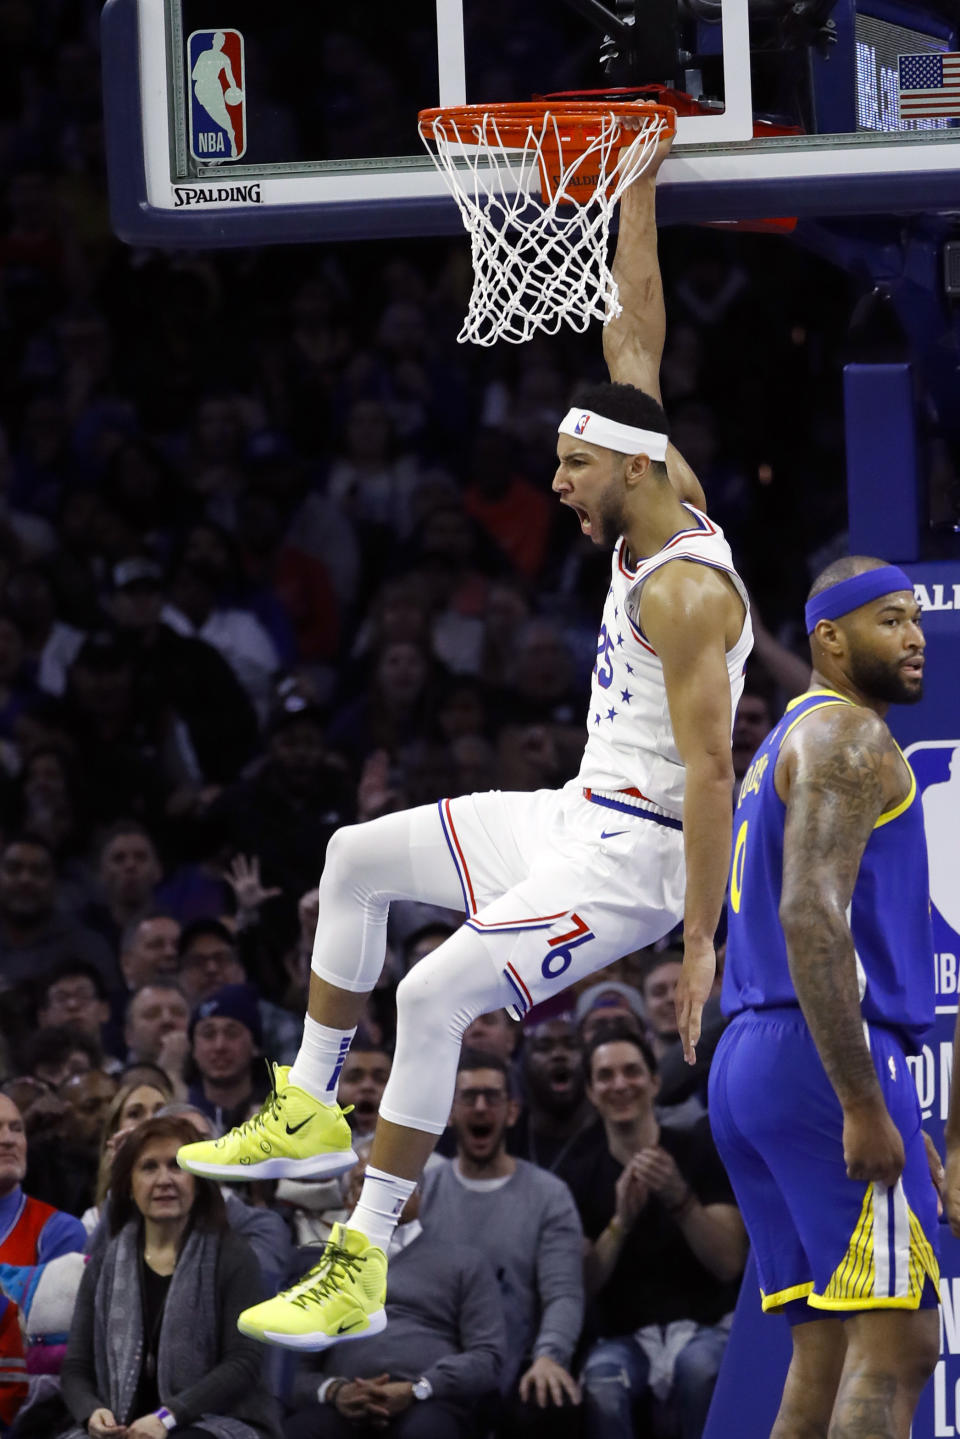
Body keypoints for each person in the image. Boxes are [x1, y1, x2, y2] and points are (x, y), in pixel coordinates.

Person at [178, 133, 754, 1349]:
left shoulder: (690, 593)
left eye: (572, 459)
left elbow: (715, 771)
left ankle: (364, 1255)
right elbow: (633, 340)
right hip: (577, 812)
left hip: (639, 860)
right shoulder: (663, 490)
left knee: (436, 992)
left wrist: (701, 937)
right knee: (353, 855)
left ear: (633, 466)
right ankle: (308, 1104)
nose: (554, 478)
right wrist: (637, 181)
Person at [708, 557, 940, 1439]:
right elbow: (811, 914)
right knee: (900, 1343)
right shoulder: (849, 738)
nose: (914, 636)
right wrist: (857, 1096)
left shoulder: (786, 739)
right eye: (889, 620)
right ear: (828, 638)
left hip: (756, 1053)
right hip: (815, 1052)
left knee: (827, 1349)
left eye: (916, 619)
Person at [564, 1024, 745, 1439]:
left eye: (631, 1071)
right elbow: (583, 1285)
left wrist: (679, 1197)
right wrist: (620, 1223)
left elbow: (729, 1263)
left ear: (654, 1082)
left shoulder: (700, 1150)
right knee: (604, 1385)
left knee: (700, 1370)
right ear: (591, 1093)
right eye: (605, 1076)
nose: (620, 1084)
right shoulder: (578, 1172)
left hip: (705, 1326)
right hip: (622, 1335)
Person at [58, 1115, 281, 1438]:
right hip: (123, 1424)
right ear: (129, 1186)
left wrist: (168, 1416)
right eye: (149, 1167)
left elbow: (243, 1363)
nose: (164, 1179)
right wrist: (92, 1412)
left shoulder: (234, 1256)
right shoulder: (104, 1263)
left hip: (210, 1421)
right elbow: (76, 1367)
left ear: (198, 1181)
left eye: (177, 1166)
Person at [284, 1151, 505, 1439]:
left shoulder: (465, 1264)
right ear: (349, 1200)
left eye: (393, 1178)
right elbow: (293, 1371)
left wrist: (420, 1388)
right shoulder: (322, 1269)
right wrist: (336, 1392)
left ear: (418, 1193)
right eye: (365, 1181)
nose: (379, 1188)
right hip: (344, 1404)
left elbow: (488, 1356)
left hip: (431, 1400)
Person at [419, 1051, 583, 1436]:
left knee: (552, 1404)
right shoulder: (422, 1193)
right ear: (448, 1112)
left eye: (492, 1098)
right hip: (434, 1365)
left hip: (518, 1361)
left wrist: (550, 1356)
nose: (480, 1108)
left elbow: (564, 1293)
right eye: (469, 1097)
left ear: (512, 1112)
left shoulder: (549, 1195)